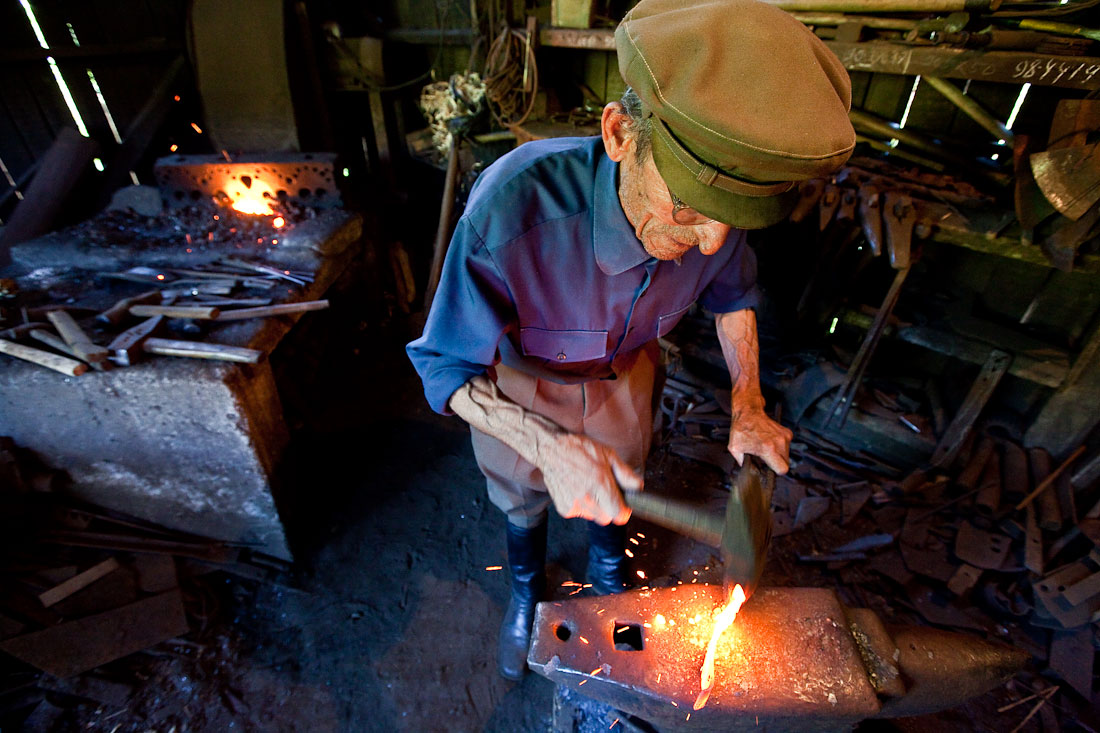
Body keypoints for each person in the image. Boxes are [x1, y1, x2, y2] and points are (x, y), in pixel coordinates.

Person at [407, 0, 855, 680]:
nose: (709, 243)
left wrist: (748, 403)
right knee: (522, 493)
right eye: (689, 210)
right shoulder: (514, 205)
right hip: (518, 386)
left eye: (729, 221)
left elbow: (733, 295)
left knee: (616, 485)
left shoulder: (715, 225)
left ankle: (609, 571)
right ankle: (525, 589)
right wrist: (544, 446)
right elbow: (443, 365)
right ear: (619, 133)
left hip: (626, 377)